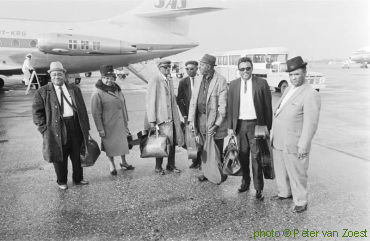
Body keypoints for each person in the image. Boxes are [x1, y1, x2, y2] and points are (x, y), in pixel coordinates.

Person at [271, 56, 321, 213]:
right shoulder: (287, 89)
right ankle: (284, 192)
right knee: (281, 169)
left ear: (305, 73)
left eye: (297, 74)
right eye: (291, 75)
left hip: (294, 140)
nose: (293, 78)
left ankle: (301, 200)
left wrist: (304, 144)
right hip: (279, 138)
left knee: (297, 171)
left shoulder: (310, 93)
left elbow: (311, 123)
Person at [32, 61, 90, 190]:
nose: (57, 76)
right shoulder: (42, 92)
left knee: (77, 155)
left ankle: (78, 179)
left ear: (64, 75)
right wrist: (44, 129)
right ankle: (62, 181)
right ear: (50, 76)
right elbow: (37, 113)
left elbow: (82, 109)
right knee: (60, 157)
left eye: (59, 74)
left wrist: (86, 128)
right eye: (54, 74)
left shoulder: (74, 89)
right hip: (55, 128)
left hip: (75, 125)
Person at [227, 56, 272, 200]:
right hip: (240, 125)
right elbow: (230, 107)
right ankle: (245, 182)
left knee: (257, 157)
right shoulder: (233, 85)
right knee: (242, 156)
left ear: (252, 68)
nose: (245, 71)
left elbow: (267, 107)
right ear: (238, 70)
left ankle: (258, 188)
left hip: (256, 125)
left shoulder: (262, 83)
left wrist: (267, 128)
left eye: (248, 68)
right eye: (242, 69)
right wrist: (230, 127)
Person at [188, 54, 228, 184]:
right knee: (203, 148)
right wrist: (191, 121)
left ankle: (218, 173)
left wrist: (216, 125)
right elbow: (193, 101)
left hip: (214, 121)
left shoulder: (220, 80)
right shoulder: (198, 79)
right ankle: (205, 172)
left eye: (202, 65)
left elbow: (222, 106)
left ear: (209, 67)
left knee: (216, 149)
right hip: (200, 119)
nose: (199, 67)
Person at [91, 65, 134, 176]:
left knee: (123, 143)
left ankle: (124, 162)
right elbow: (96, 113)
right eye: (106, 78)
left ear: (114, 78)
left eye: (111, 77)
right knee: (110, 146)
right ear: (101, 78)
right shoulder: (97, 93)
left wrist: (126, 121)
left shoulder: (117, 89)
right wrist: (100, 129)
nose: (109, 80)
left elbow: (123, 105)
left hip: (121, 122)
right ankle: (111, 164)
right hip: (108, 125)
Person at [145, 59, 184, 175]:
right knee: (160, 143)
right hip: (161, 119)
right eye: (165, 67)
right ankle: (158, 167)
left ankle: (171, 165)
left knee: (172, 144)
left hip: (172, 117)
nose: (168, 69)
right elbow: (150, 101)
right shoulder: (155, 79)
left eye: (169, 67)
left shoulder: (169, 79)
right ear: (159, 68)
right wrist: (152, 121)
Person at [176, 60, 201, 169]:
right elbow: (179, 99)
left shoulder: (202, 80)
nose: (189, 71)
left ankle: (203, 161)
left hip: (201, 114)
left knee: (201, 137)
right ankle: (195, 160)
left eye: (192, 68)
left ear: (196, 69)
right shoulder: (183, 82)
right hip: (188, 115)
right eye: (187, 69)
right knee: (191, 138)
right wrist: (184, 114)